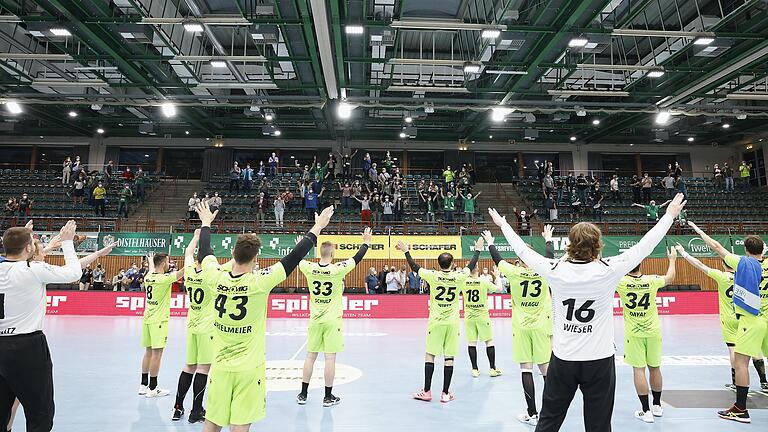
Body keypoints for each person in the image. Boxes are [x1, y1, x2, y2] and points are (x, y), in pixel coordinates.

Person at [486, 192, 686, 432]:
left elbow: (522, 251)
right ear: (598, 245)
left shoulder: (555, 269)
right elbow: (645, 246)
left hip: (563, 359)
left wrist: (504, 224)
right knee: (599, 425)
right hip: (599, 361)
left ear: (569, 245)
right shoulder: (608, 270)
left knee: (549, 421)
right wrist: (669, 216)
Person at [199, 204, 334, 432]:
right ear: (255, 259)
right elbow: (294, 257)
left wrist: (205, 223)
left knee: (212, 422)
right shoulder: (259, 282)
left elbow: (205, 252)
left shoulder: (215, 277)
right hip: (249, 368)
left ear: (233, 254)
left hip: (220, 367)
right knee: (240, 424)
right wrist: (318, 226)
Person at [0, 220, 82, 432]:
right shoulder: (33, 269)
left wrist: (25, 235)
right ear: (28, 248)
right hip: (27, 347)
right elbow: (74, 273)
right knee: (40, 413)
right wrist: (66, 242)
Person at [686, 222, 767, 423]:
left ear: (746, 250)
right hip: (765, 319)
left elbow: (716, 247)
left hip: (751, 319)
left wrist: (697, 230)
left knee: (740, 364)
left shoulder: (743, 263)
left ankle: (740, 409)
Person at [484, 226, 555, 425]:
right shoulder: (544, 271)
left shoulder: (514, 272)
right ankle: (550, 413)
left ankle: (532, 414)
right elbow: (549, 256)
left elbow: (497, 260)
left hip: (522, 327)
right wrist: (548, 238)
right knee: (546, 370)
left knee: (526, 369)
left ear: (521, 259)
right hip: (541, 326)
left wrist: (490, 242)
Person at [397, 237, 481, 403]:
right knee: (449, 358)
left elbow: (415, 267)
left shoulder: (433, 275)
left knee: (430, 355)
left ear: (439, 263)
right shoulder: (458, 276)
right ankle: (445, 393)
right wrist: (477, 249)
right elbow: (470, 266)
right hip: (452, 323)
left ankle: (427, 391)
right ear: (452, 264)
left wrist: (406, 251)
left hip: (435, 322)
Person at [675, 244, 768, 391]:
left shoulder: (721, 276)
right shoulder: (744, 275)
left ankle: (736, 382)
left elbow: (699, 265)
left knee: (733, 350)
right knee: (755, 349)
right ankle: (764, 381)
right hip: (746, 316)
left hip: (729, 318)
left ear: (724, 264)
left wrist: (684, 253)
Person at [297, 228, 371, 406]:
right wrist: (366, 242)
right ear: (333, 253)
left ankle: (303, 394)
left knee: (310, 356)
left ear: (319, 252)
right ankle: (327, 396)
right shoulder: (337, 269)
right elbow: (356, 258)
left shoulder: (309, 267)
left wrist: (300, 246)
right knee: (330, 358)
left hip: (315, 319)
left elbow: (297, 258)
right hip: (332, 320)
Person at [616, 248, 677, 423]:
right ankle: (657, 406)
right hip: (653, 331)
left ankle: (646, 410)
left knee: (638, 369)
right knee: (655, 368)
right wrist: (672, 260)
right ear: (641, 265)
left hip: (634, 333)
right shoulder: (651, 280)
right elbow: (670, 278)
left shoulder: (621, 282)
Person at [172, 222, 218, 422]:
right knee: (203, 369)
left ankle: (177, 407)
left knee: (188, 366)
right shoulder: (211, 272)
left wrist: (196, 236)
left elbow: (188, 252)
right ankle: (196, 410)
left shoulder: (189, 270)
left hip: (191, 324)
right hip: (207, 326)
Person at [138, 252, 184, 399]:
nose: (169, 264)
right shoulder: (164, 279)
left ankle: (143, 385)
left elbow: (152, 269)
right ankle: (153, 388)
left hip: (147, 318)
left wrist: (151, 260)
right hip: (159, 321)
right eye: (168, 262)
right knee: (157, 354)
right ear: (163, 263)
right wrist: (193, 261)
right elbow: (183, 272)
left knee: (148, 352)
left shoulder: (149, 276)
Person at [460, 257, 501, 378]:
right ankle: (492, 369)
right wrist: (497, 276)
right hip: (482, 316)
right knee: (489, 342)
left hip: (469, 317)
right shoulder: (483, 281)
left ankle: (474, 369)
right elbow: (499, 289)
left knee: (471, 343)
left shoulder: (463, 282)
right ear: (477, 268)